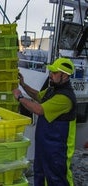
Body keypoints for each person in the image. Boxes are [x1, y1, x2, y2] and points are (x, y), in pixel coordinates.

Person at [12, 57, 76, 186]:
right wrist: (23, 84)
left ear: (64, 76)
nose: (50, 75)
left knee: (57, 179)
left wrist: (20, 97)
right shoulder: (53, 89)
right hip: (45, 146)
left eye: (54, 73)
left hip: (58, 149)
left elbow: (39, 110)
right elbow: (38, 96)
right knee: (40, 174)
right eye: (50, 72)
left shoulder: (65, 97)